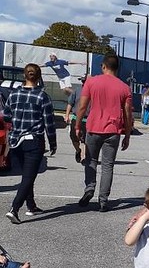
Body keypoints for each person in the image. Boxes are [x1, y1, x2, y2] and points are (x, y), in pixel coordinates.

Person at [75, 54, 133, 212]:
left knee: (90, 161)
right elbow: (128, 113)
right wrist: (127, 134)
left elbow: (82, 105)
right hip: (113, 130)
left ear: (103, 66)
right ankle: (103, 200)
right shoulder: (124, 88)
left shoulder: (91, 82)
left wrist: (78, 125)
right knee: (108, 166)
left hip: (93, 127)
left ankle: (89, 189)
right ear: (117, 68)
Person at [3, 63, 56, 224]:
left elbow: (6, 116)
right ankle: (14, 208)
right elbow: (49, 123)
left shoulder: (13, 95)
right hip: (34, 140)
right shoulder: (42, 96)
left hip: (16, 140)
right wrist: (53, 143)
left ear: (24, 76)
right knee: (29, 176)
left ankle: (31, 205)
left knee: (27, 175)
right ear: (39, 77)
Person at [64, 80, 87, 163]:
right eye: (83, 81)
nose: (84, 83)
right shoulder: (77, 90)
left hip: (88, 119)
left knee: (86, 140)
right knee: (74, 138)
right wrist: (67, 115)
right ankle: (78, 150)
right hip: (76, 118)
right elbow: (70, 103)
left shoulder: (94, 91)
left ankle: (85, 157)